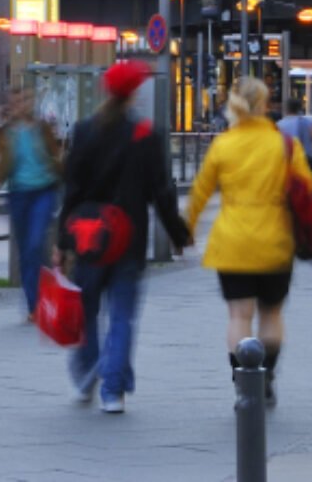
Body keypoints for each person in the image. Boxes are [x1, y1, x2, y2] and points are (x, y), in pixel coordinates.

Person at [59, 60, 190, 414]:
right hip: (128, 239)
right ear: (132, 94)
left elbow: (70, 190)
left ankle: (86, 374)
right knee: (122, 315)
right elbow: (160, 192)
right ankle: (112, 391)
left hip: (88, 238)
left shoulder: (84, 131)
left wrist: (61, 241)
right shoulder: (144, 134)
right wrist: (178, 233)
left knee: (86, 311)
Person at [183, 76, 312, 409]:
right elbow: (307, 185)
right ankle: (266, 375)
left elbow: (200, 191)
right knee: (271, 313)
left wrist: (186, 230)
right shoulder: (283, 145)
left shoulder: (223, 145)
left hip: (232, 242)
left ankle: (243, 383)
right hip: (276, 241)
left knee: (239, 316)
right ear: (265, 105)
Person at [0, 86, 63, 321]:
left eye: (25, 99)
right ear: (10, 104)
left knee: (34, 243)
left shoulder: (42, 127)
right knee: (26, 251)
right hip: (18, 193)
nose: (21, 105)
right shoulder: (5, 131)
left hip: (44, 191)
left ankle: (46, 296)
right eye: (16, 101)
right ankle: (34, 306)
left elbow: (57, 153)